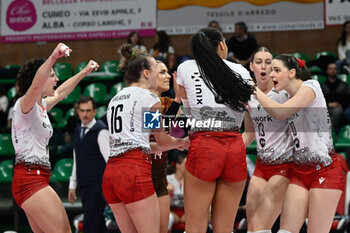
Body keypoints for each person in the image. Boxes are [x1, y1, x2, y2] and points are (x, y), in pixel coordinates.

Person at [11, 42, 99, 233]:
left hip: (35, 178)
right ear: (39, 79)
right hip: (30, 179)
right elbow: (35, 86)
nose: (57, 78)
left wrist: (84, 71)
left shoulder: (40, 106)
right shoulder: (24, 105)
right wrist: (53, 57)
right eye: (52, 75)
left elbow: (61, 92)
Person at [102, 44, 190, 233]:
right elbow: (162, 141)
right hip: (133, 172)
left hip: (111, 174)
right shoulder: (150, 98)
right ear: (146, 73)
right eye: (155, 70)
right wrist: (182, 142)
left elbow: (141, 144)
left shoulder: (115, 98)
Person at [176, 27, 255, 233]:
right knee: (225, 229)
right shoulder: (241, 71)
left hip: (205, 143)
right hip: (234, 146)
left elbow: (188, 110)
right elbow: (248, 109)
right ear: (221, 45)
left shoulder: (186, 68)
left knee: (195, 227)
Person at [255, 54, 345, 233]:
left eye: (277, 70)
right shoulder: (285, 97)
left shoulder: (311, 86)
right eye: (271, 70)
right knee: (285, 231)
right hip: (300, 171)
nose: (272, 74)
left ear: (292, 72)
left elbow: (280, 113)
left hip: (325, 170)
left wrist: (253, 91)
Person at [243, 47, 294, 233]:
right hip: (262, 165)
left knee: (260, 226)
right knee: (252, 227)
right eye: (258, 62)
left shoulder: (283, 92)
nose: (263, 66)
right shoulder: (248, 97)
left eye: (268, 62)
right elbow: (249, 134)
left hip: (284, 165)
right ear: (251, 66)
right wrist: (225, 151)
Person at [68, 96, 109, 233]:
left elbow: (109, 160)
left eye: (88, 110)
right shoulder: (78, 129)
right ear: (77, 112)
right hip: (84, 185)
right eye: (82, 111)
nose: (85, 114)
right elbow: (76, 158)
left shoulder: (101, 131)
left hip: (97, 187)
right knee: (98, 225)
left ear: (95, 112)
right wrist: (72, 185)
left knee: (90, 225)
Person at [151, 60, 183, 233]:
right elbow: (158, 138)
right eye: (162, 72)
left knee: (163, 229)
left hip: (160, 176)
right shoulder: (145, 102)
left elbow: (178, 128)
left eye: (167, 72)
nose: (168, 76)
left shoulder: (166, 103)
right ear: (149, 75)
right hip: (142, 176)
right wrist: (179, 143)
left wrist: (179, 100)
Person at [321, 63, 350, 131]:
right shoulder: (322, 86)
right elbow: (319, 99)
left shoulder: (344, 85)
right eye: (330, 69)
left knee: (338, 111)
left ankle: (329, 130)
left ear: (337, 71)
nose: (333, 70)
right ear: (327, 71)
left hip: (340, 107)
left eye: (335, 69)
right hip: (326, 107)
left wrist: (340, 104)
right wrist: (328, 104)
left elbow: (348, 99)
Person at [167, 152, 187, 231]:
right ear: (178, 165)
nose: (188, 167)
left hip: (187, 211)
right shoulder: (168, 179)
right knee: (168, 218)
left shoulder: (191, 181)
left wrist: (188, 214)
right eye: (185, 164)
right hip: (171, 210)